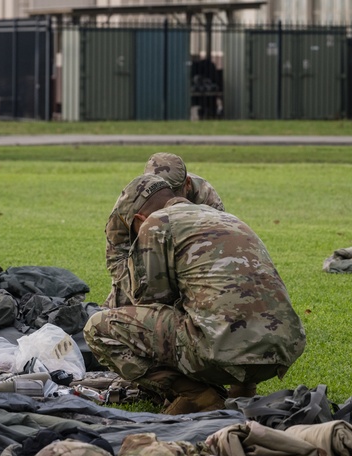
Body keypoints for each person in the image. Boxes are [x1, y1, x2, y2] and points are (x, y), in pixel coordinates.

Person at [86, 174, 306, 414]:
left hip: (223, 352)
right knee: (225, 306)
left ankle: (198, 396)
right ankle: (243, 390)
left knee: (97, 328)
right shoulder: (227, 217)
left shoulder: (156, 222)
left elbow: (151, 301)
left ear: (140, 219)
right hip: (282, 349)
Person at [103, 153, 224, 308]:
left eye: (171, 191)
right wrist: (137, 294)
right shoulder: (134, 198)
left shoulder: (206, 199)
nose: (165, 198)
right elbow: (117, 253)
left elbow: (212, 257)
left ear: (187, 184)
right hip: (146, 248)